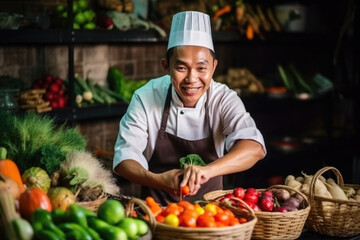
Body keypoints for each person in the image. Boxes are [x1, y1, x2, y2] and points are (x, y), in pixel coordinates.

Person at [113, 10, 266, 205]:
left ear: (214, 67)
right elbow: (124, 158)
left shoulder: (223, 98)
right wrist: (157, 180)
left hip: (212, 217)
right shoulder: (146, 96)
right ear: (166, 66)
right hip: (157, 214)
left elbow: (254, 148)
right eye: (181, 68)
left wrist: (208, 170)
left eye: (201, 68)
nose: (191, 79)